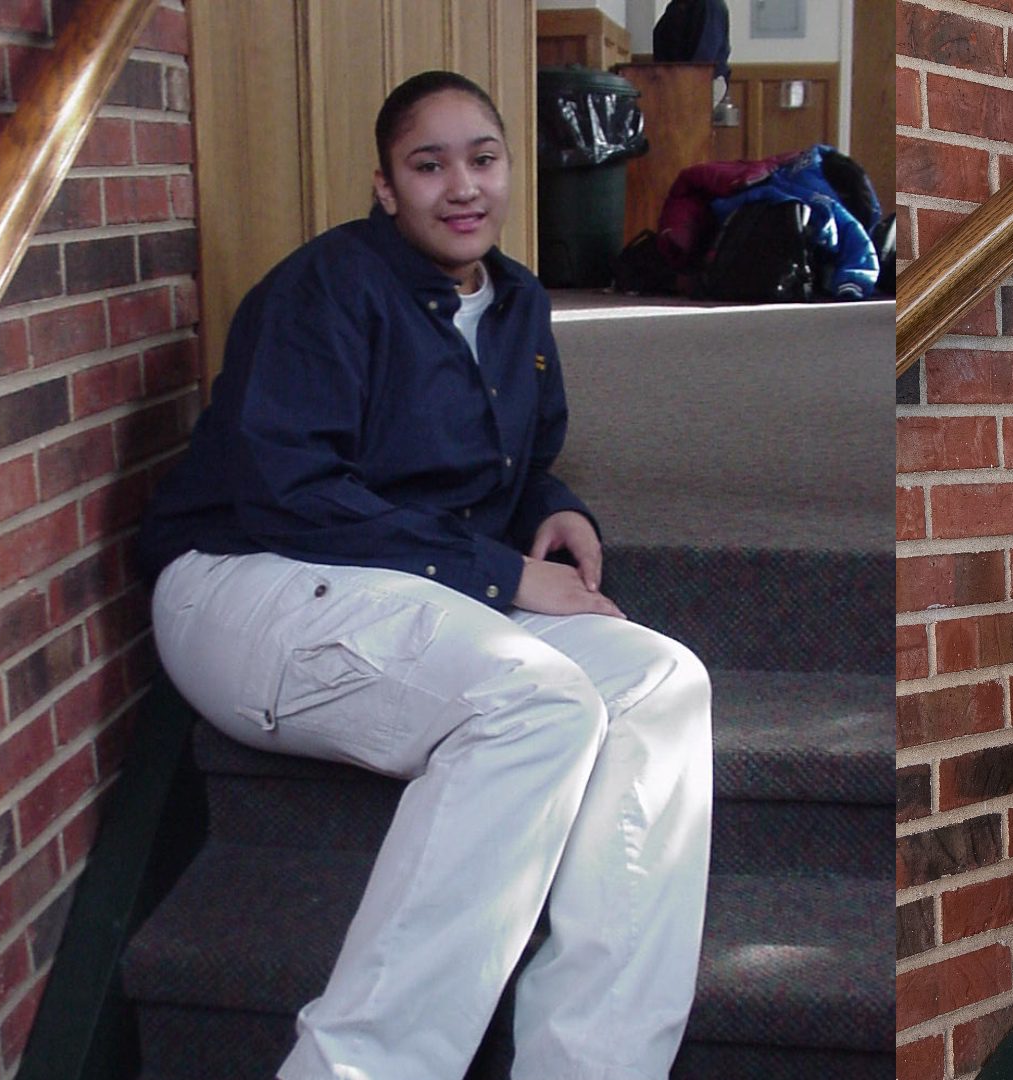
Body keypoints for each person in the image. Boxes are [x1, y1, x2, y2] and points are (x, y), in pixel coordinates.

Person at [138, 71, 712, 1080]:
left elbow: (511, 463)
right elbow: (288, 492)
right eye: (428, 163)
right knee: (536, 705)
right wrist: (501, 576)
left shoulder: (521, 301)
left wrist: (552, 509)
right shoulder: (324, 288)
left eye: (482, 159)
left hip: (409, 583)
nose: (462, 186)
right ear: (384, 186)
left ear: (509, 170)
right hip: (246, 577)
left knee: (663, 683)